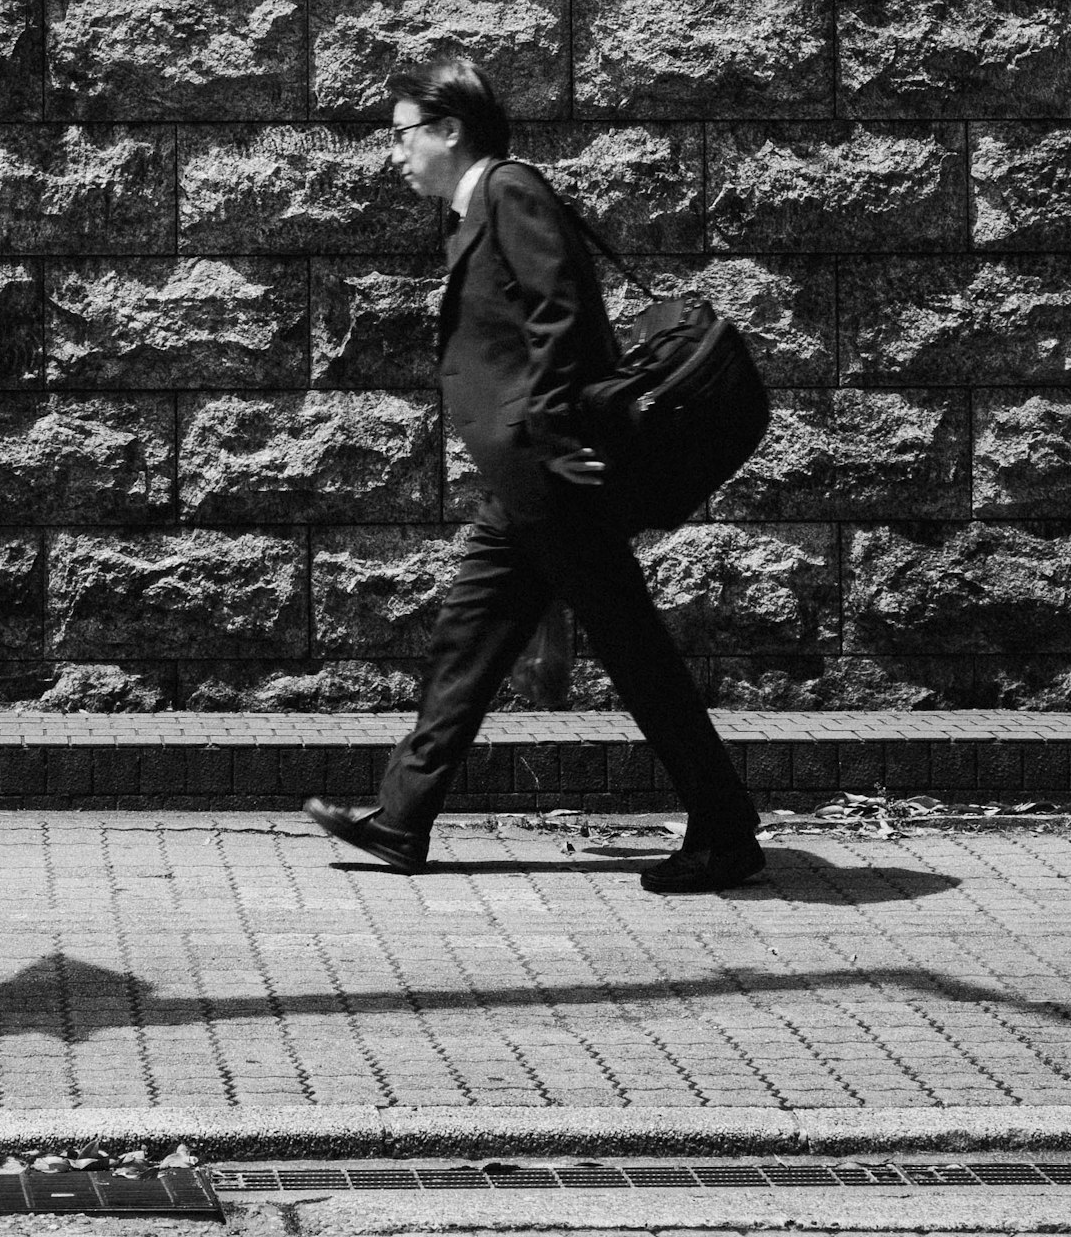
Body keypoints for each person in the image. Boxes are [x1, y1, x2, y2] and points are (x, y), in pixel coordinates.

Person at [305, 57, 764, 892]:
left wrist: (552, 431)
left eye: (404, 133)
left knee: (634, 654)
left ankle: (726, 830)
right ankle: (402, 820)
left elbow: (562, 312)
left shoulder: (509, 189)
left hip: (553, 473)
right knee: (468, 639)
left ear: (451, 130)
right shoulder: (471, 210)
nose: (395, 152)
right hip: (525, 480)